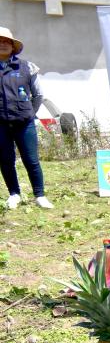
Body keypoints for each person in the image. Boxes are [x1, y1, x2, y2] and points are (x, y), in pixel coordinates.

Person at [0, 27, 53, 209]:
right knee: (6, 160)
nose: (3, 45)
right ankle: (14, 194)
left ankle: (40, 195)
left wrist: (30, 113)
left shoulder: (27, 67)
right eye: (0, 41)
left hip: (25, 123)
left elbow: (38, 95)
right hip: (1, 125)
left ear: (13, 46)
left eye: (7, 41)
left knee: (31, 160)